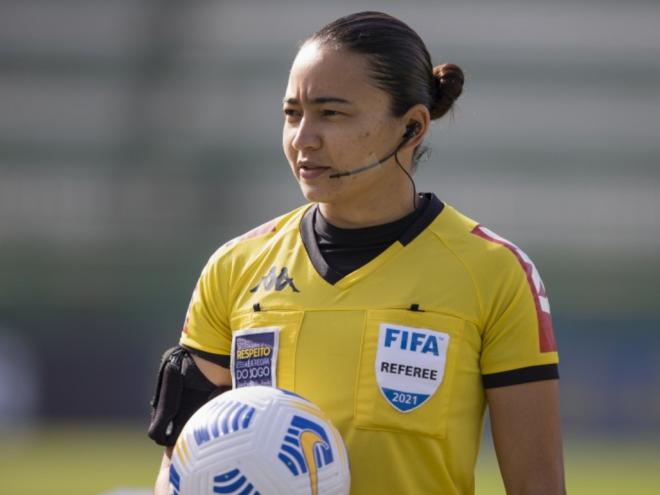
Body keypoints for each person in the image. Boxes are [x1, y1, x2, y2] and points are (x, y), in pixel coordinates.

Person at [149, 11, 566, 495]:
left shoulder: (494, 271)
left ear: (412, 127)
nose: (303, 138)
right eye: (292, 114)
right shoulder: (234, 267)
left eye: (331, 113)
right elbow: (181, 466)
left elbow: (537, 484)